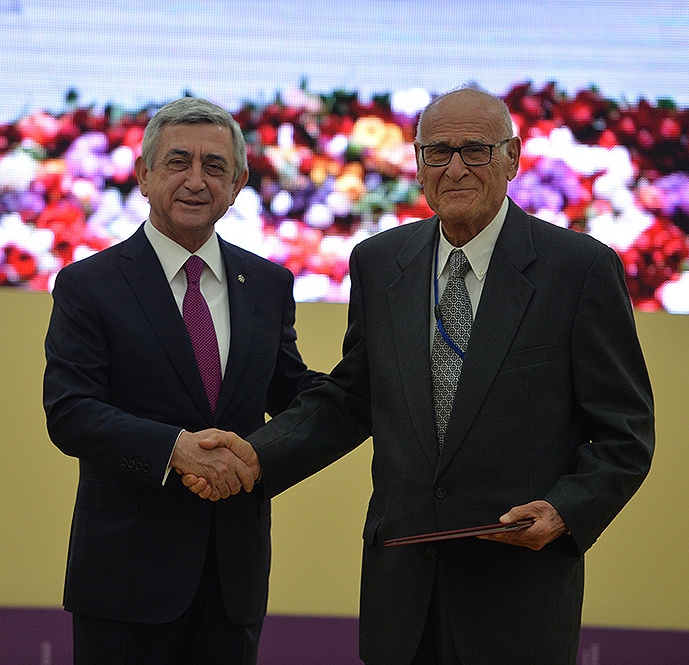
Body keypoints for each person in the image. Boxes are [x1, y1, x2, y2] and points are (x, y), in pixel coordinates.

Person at [184, 85, 655, 665]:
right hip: (401, 596)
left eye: (475, 150)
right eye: (438, 152)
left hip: (516, 595)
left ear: (511, 157)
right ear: (418, 162)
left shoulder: (579, 269)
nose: (455, 168)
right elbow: (352, 398)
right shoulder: (380, 263)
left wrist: (566, 511)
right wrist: (255, 457)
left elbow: (625, 433)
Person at [42, 96, 320, 665]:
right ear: (144, 175)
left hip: (232, 581)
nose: (196, 180)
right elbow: (71, 412)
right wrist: (176, 450)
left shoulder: (267, 285)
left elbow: (291, 393)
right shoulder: (89, 286)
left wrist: (379, 387)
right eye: (178, 162)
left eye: (215, 166)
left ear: (238, 184)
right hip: (123, 583)